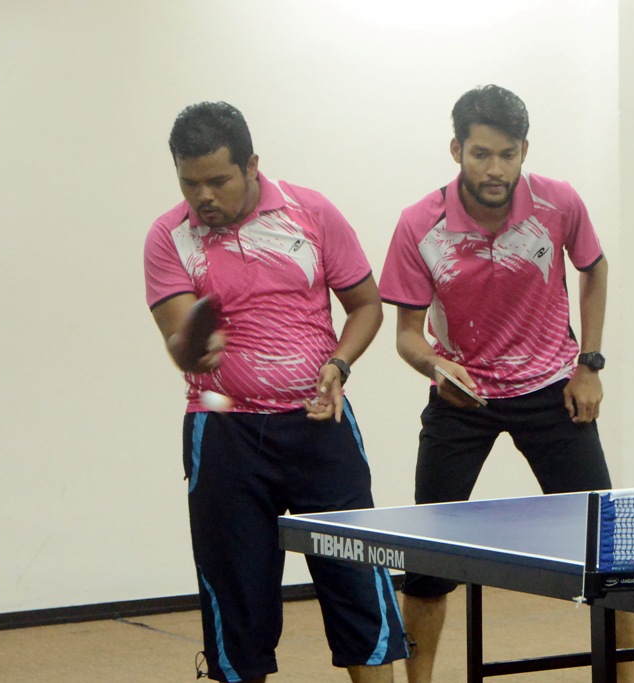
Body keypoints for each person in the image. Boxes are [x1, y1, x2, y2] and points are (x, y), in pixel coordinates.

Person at [378, 85, 634, 682]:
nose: (494, 169)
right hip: (461, 398)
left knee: (611, 559)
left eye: (507, 154)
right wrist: (435, 367)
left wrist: (589, 364)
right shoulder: (420, 224)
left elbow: (594, 268)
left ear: (524, 150)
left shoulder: (558, 202)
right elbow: (408, 336)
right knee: (426, 565)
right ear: (456, 150)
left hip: (552, 390)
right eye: (480, 154)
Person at [143, 101, 408, 683]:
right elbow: (179, 336)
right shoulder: (168, 237)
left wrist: (339, 363)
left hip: (319, 423)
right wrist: (195, 347)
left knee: (357, 587)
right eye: (189, 183)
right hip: (224, 431)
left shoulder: (311, 214)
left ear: (251, 165)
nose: (203, 196)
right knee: (237, 603)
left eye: (218, 180)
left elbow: (366, 306)